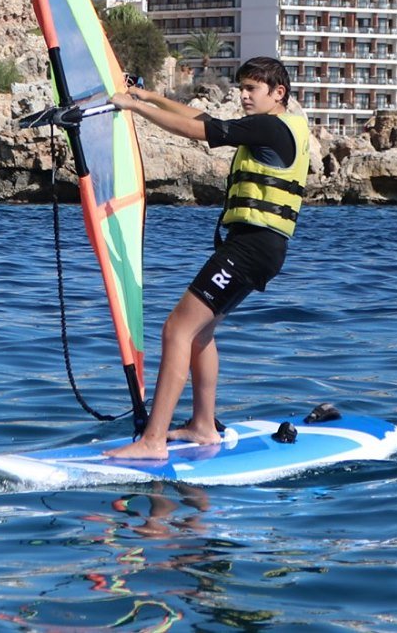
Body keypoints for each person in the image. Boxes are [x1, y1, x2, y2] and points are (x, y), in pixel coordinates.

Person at [103, 56, 308, 460]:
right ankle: (202, 426)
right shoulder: (279, 126)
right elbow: (204, 116)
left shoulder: (270, 126)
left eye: (252, 89)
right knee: (199, 334)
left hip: (251, 247)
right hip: (261, 247)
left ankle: (153, 440)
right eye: (242, 88)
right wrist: (150, 96)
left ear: (277, 93)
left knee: (177, 329)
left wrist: (136, 108)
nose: (244, 96)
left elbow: (201, 131)